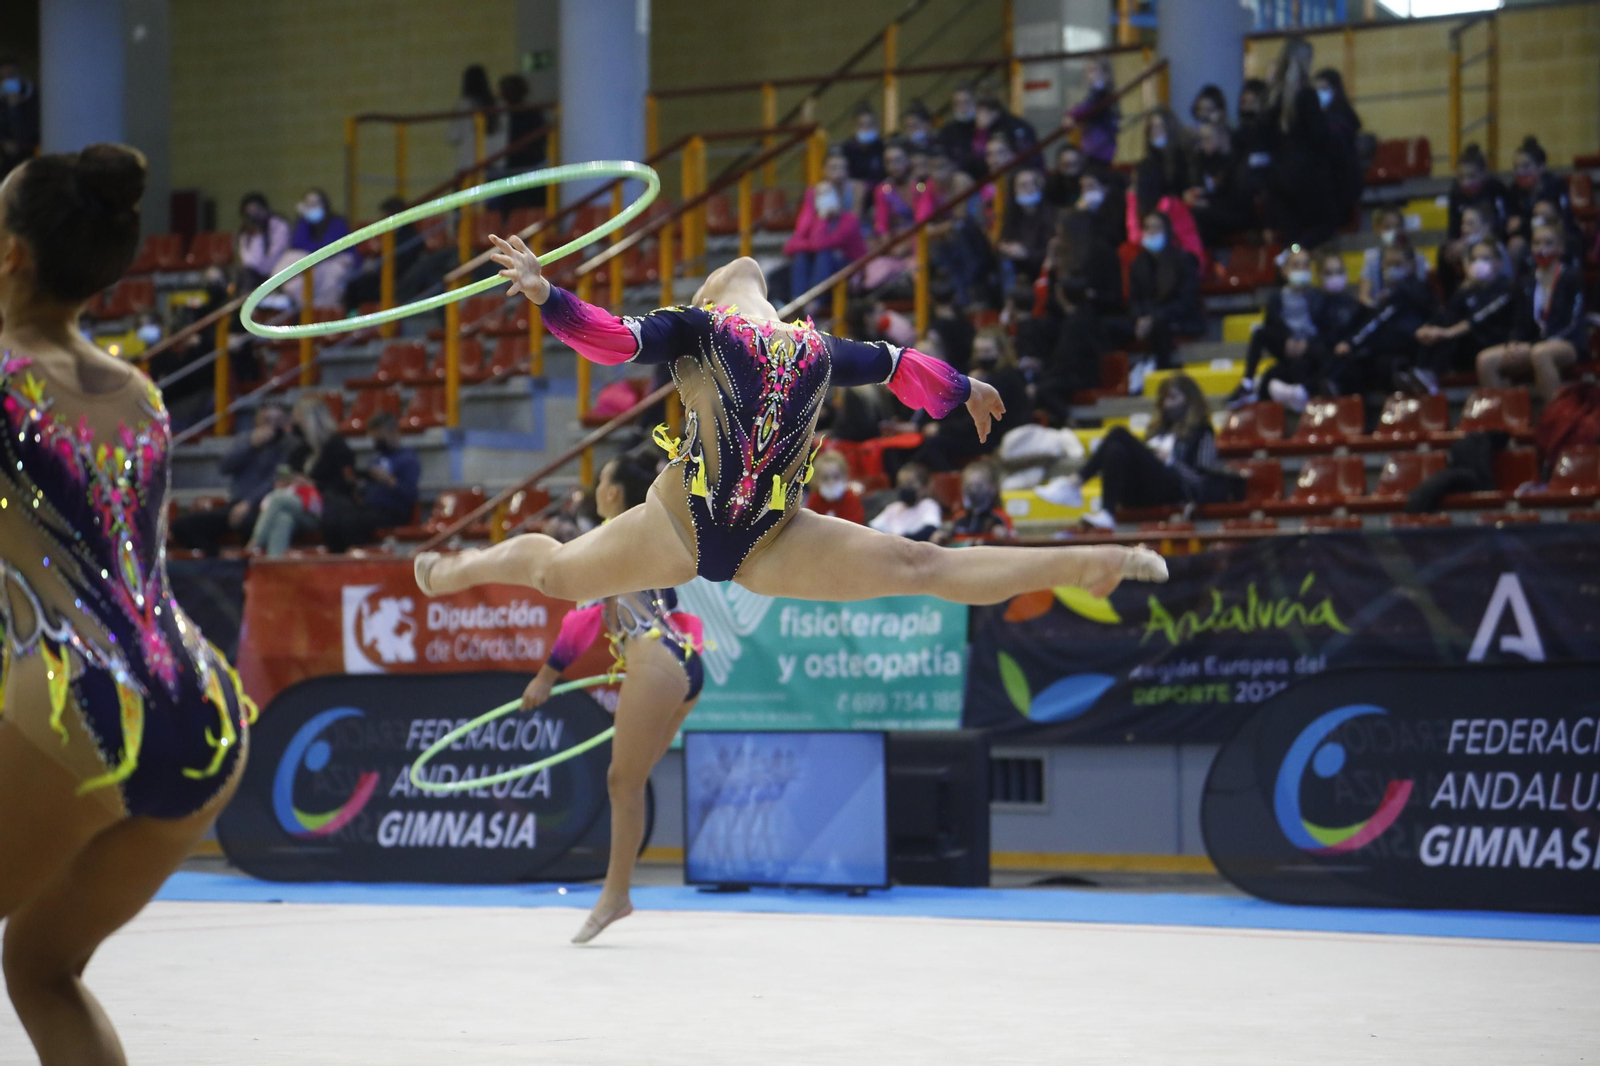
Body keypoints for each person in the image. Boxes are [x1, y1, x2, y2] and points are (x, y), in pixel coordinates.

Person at [414, 242, 1167, 613]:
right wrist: (967, 386)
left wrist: (550, 296)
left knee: (554, 576)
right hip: (747, 532)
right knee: (921, 571)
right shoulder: (816, 347)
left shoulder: (699, 328)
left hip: (706, 529)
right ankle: (1082, 563)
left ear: (714, 294)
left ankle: (1085, 564)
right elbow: (904, 365)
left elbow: (614, 339)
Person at [0, 142, 254, 1065]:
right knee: (39, 965)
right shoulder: (140, 395)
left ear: (11, 253)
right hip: (205, 709)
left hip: (79, 699)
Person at [517, 455, 705, 944]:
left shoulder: (614, 542)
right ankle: (617, 891)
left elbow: (583, 621)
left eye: (601, 480)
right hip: (683, 660)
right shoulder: (650, 532)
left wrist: (546, 676)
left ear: (614, 493)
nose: (596, 487)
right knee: (629, 782)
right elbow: (670, 604)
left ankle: (616, 895)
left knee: (623, 783)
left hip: (658, 657)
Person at [1055, 374, 1240, 528]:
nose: (1167, 405)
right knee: (1116, 449)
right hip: (1141, 491)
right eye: (1164, 399)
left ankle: (1076, 483)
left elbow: (1201, 482)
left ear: (1189, 399)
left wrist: (1171, 462)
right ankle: (1107, 512)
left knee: (1118, 432)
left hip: (1173, 490)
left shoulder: (1202, 431)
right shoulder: (1156, 429)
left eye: (1173, 398)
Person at [1476, 223, 1587, 402]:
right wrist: (1514, 343)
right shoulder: (1526, 281)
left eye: (1548, 243)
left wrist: (1534, 344)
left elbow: (1572, 322)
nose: (1542, 248)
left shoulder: (1571, 277)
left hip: (1567, 341)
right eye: (1537, 243)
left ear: (1560, 247)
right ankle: (1505, 419)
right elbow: (1518, 319)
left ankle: (1556, 416)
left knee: (1540, 353)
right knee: (1485, 360)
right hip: (1533, 344)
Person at [171, 403, 290, 555]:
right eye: (267, 420)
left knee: (249, 522)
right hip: (235, 505)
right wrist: (251, 445)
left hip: (269, 507)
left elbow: (279, 480)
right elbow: (225, 467)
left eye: (277, 420)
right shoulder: (245, 440)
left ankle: (248, 565)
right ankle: (220, 559)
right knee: (182, 526)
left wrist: (248, 502)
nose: (272, 425)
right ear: (256, 421)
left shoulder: (287, 444)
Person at [248, 394, 355, 556]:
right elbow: (289, 474)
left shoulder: (337, 447)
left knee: (277, 499)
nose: (294, 424)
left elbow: (345, 485)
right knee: (283, 518)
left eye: (298, 419)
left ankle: (253, 546)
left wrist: (312, 484)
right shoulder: (301, 451)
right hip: (299, 505)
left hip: (326, 508)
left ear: (310, 420)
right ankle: (275, 566)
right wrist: (288, 482)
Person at [1262, 38, 1339, 249]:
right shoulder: (1307, 94)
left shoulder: (1272, 97)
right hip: (1307, 175)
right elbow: (1320, 136)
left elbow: (1266, 137)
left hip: (1279, 176)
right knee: (1328, 224)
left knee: (1292, 231)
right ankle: (1298, 252)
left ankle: (1292, 256)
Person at [1237, 246, 1328, 411]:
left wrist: (1307, 344)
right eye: (1296, 266)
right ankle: (1248, 383)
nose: (1302, 270)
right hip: (1287, 350)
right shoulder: (1276, 298)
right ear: (1285, 271)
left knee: (1301, 365)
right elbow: (1271, 327)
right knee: (1259, 333)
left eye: (1305, 265)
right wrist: (1288, 339)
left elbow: (1328, 331)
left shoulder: (1320, 297)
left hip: (1313, 353)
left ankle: (1300, 392)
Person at [1416, 238, 1515, 382]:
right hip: (1469, 344)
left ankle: (1430, 377)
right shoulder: (1467, 289)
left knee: (1451, 337)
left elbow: (1479, 318)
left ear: (1498, 263)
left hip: (1493, 341)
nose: (1478, 263)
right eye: (1474, 259)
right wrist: (1426, 328)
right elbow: (1448, 314)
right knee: (1433, 332)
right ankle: (1420, 374)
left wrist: (1447, 333)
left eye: (1485, 258)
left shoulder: (1506, 288)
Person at [321, 411, 420, 552]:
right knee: (333, 512)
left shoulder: (408, 459)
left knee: (351, 521)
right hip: (370, 508)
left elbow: (411, 494)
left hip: (392, 511)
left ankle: (353, 558)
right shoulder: (376, 458)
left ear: (394, 433)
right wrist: (357, 483)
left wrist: (390, 480)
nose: (377, 442)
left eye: (381, 438)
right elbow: (367, 490)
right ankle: (334, 559)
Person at [1127, 211, 1203, 377]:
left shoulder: (1183, 260)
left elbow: (1186, 302)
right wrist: (1140, 317)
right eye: (1147, 228)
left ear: (1167, 231)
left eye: (1156, 228)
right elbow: (1135, 299)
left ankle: (1161, 373)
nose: (1151, 232)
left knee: (1159, 326)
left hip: (1177, 318)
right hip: (1146, 319)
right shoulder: (1138, 263)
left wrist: (1153, 318)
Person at [783, 174, 866, 312]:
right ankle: (797, 300)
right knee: (802, 256)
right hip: (823, 272)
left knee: (824, 254)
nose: (824, 198)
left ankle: (814, 303)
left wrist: (822, 219)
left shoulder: (849, 220)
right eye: (820, 195)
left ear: (837, 196)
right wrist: (810, 244)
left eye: (828, 193)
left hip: (850, 269)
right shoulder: (813, 219)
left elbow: (820, 244)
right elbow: (789, 247)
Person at [281, 188, 355, 308]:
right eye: (309, 204)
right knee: (290, 259)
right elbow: (297, 244)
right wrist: (303, 219)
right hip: (315, 260)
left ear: (324, 205)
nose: (312, 208)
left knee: (328, 274)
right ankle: (291, 301)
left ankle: (323, 310)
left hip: (337, 260)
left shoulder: (337, 222)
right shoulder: (304, 221)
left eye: (316, 204)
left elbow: (329, 247)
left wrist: (312, 250)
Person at [1186, 121, 1250, 249]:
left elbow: (1237, 198)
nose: (1203, 142)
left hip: (1236, 212)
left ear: (1223, 137)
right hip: (1214, 209)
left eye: (1207, 138)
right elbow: (1205, 187)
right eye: (1201, 138)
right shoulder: (1203, 160)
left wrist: (1207, 202)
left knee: (1199, 215)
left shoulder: (1237, 161)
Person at [1313, 68, 1363, 226]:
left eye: (1324, 89)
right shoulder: (1317, 119)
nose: (1319, 94)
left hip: (1340, 186)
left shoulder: (1341, 120)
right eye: (1317, 89)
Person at [1505, 136, 1569, 255]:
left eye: (1526, 166)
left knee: (1543, 208)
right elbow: (1512, 225)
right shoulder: (1514, 190)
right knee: (1515, 244)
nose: (1520, 171)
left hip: (1556, 236)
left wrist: (1523, 223)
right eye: (1516, 167)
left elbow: (1562, 221)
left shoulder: (1556, 186)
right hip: (1529, 237)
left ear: (1541, 166)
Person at [997, 168, 1054, 296]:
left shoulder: (1050, 214)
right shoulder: (1012, 214)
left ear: (1038, 187)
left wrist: (1026, 253)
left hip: (1039, 265)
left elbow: (1051, 250)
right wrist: (1006, 247)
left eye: (1030, 184)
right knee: (1004, 261)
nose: (1026, 188)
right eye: (1021, 185)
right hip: (1017, 265)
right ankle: (1011, 304)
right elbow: (1001, 241)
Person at [495, 74, 548, 208]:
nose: (503, 94)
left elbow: (541, 137)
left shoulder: (530, 112)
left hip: (529, 165)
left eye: (507, 90)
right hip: (511, 165)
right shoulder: (499, 115)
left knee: (530, 203)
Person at [1359, 208, 1429, 305]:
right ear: (1377, 229)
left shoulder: (1418, 258)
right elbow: (1363, 297)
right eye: (1387, 227)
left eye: (1397, 226)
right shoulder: (1372, 261)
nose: (1393, 231)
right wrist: (1375, 304)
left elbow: (1423, 294)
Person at [446, 64, 505, 176]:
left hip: (469, 164)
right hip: (495, 164)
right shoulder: (498, 105)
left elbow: (452, 136)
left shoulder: (463, 106)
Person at [1134, 108, 1194, 217]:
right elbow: (1145, 204)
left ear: (1170, 128)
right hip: (1158, 218)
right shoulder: (1146, 165)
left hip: (1182, 215)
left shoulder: (1183, 157)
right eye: (1152, 128)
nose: (1155, 132)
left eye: (1160, 127)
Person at [1062, 57, 1119, 168]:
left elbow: (1086, 107)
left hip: (1101, 147)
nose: (1090, 75)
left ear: (1106, 73)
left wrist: (1071, 115)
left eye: (1094, 70)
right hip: (1093, 146)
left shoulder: (1103, 93)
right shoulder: (1095, 92)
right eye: (1088, 70)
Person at [939, 460, 1013, 541]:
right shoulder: (959, 518)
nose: (973, 490)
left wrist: (1004, 536)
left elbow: (1014, 543)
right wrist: (942, 538)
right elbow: (951, 543)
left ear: (992, 487)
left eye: (978, 486)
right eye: (969, 486)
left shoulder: (1000, 517)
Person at [1447, 143, 1508, 241]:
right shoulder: (1456, 192)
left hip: (1494, 241)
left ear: (1483, 173)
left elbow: (1502, 225)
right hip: (1465, 241)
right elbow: (1454, 228)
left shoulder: (1496, 189)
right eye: (1461, 177)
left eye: (1472, 176)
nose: (1466, 182)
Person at [869, 463, 943, 540]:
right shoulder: (894, 507)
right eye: (901, 484)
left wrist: (902, 540)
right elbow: (872, 528)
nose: (905, 488)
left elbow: (929, 530)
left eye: (910, 484)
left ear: (924, 487)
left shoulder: (928, 505)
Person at [235, 191, 290, 293]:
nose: (255, 216)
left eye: (257, 211)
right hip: (255, 275)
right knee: (243, 274)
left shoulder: (278, 225)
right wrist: (257, 236)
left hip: (277, 270)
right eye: (250, 213)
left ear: (265, 209)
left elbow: (276, 254)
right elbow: (249, 262)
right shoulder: (246, 232)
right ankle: (245, 305)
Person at [0, 60, 40, 178]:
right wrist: (3, 142)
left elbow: (36, 120)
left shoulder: (31, 91)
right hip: (6, 152)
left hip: (29, 147)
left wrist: (19, 104)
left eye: (12, 73)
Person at [805, 450, 865, 524]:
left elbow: (855, 525)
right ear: (816, 480)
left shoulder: (851, 499)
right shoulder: (814, 499)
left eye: (836, 477)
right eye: (825, 478)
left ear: (844, 476)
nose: (831, 482)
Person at [974, 95, 1036, 164]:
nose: (977, 117)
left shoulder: (1013, 126)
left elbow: (1025, 153)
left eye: (979, 112)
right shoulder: (993, 127)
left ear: (994, 112)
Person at [940, 85, 981, 177]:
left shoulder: (983, 127)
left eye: (967, 102)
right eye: (958, 103)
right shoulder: (947, 131)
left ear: (975, 103)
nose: (963, 107)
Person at [843, 104, 886, 191]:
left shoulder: (882, 146)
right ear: (854, 126)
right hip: (854, 191)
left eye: (869, 125)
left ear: (876, 125)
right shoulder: (847, 148)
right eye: (862, 125)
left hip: (880, 189)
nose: (866, 128)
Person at [1044, 144, 1085, 210]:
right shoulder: (1052, 183)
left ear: (1080, 162)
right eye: (1066, 164)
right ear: (1059, 164)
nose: (1071, 168)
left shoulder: (1088, 178)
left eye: (1074, 164)